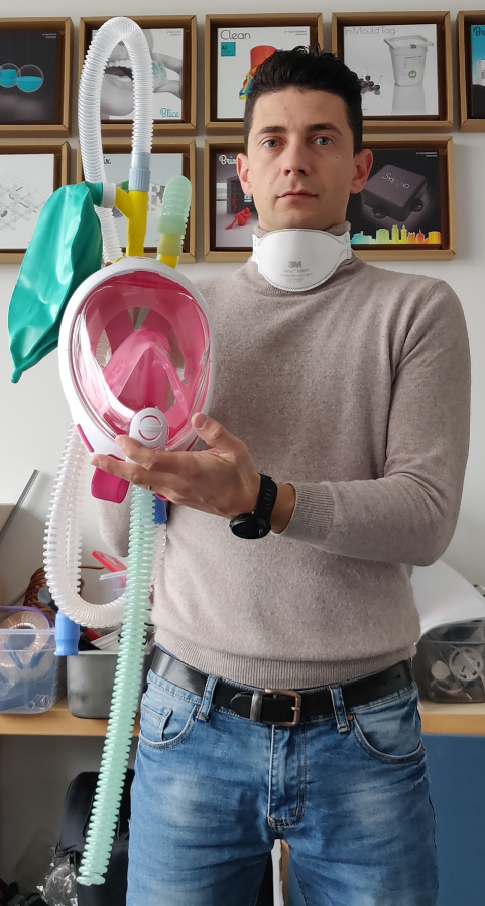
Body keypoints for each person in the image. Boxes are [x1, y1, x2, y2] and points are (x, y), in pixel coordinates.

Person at [92, 48, 471, 906]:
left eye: (321, 138)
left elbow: (424, 515)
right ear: (244, 169)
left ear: (360, 166)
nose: (294, 158)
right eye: (272, 140)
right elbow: (117, 539)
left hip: (362, 734)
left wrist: (263, 501)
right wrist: (104, 413)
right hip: (188, 722)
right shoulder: (175, 312)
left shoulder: (416, 312)